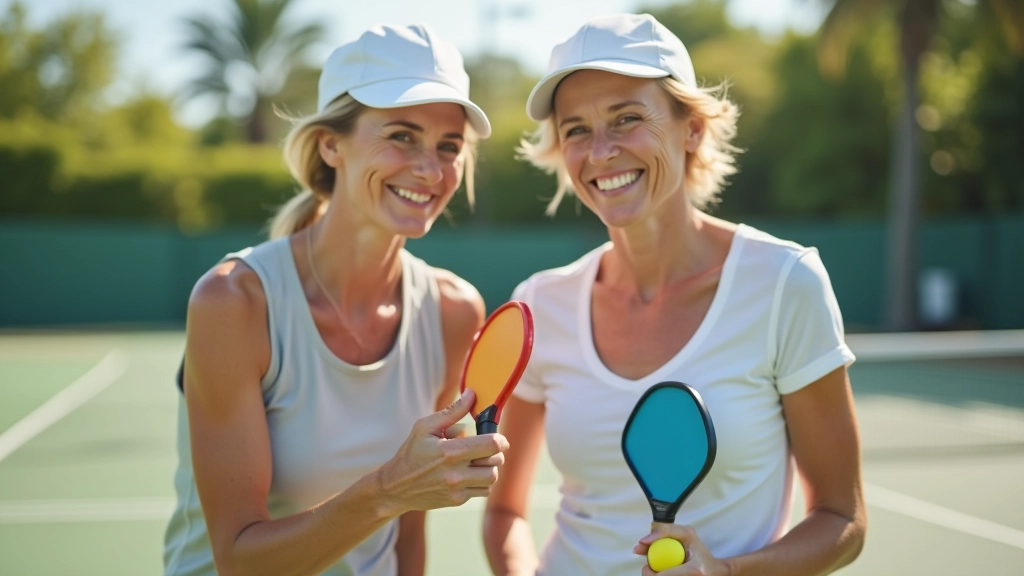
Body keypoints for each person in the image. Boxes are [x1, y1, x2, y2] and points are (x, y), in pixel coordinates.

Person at [483, 14, 866, 576]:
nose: (602, 152)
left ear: (692, 128)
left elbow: (842, 519)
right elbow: (505, 513)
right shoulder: (541, 304)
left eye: (627, 119)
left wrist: (726, 572)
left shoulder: (785, 282)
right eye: (577, 130)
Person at [163, 24, 508, 576]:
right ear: (331, 144)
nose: (430, 168)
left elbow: (407, 542)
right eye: (401, 135)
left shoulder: (453, 310)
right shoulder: (233, 301)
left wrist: (400, 496)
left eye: (450, 147)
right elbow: (239, 562)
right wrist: (388, 490)